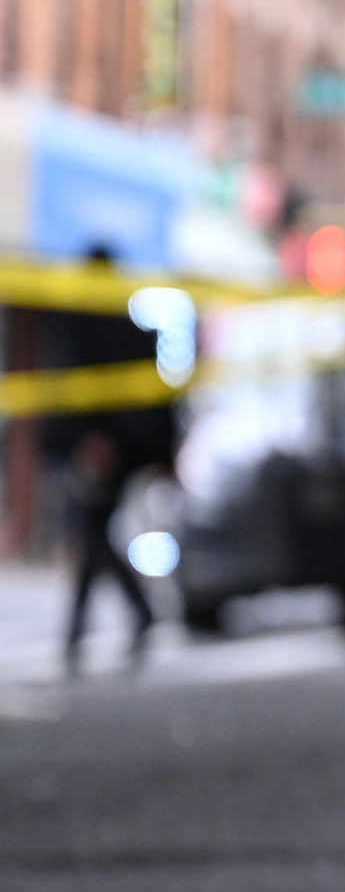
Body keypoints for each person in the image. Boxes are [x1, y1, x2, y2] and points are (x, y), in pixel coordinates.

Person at [41, 247, 176, 675]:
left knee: (92, 531)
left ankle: (110, 621)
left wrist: (95, 437)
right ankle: (83, 630)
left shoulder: (94, 322)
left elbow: (88, 378)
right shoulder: (123, 320)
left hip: (105, 445)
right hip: (118, 443)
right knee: (93, 530)